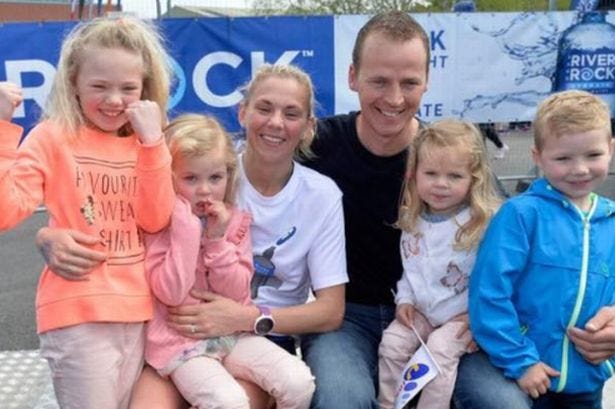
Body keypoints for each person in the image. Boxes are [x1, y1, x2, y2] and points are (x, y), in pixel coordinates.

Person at [36, 63, 348, 409]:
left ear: (308, 127)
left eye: (291, 113)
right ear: (242, 112)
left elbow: (326, 309)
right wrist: (46, 234)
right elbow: (101, 211)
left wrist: (241, 309)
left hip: (250, 332)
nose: (275, 122)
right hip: (175, 342)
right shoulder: (195, 175)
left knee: (277, 388)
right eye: (264, 108)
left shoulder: (299, 196)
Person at [0, 16, 175, 409]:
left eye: (128, 88)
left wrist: (152, 144)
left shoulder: (148, 141)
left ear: (145, 89)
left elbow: (156, 219)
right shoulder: (52, 135)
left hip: (138, 312)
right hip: (77, 313)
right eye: (99, 86)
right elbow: (6, 212)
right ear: (74, 83)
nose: (114, 100)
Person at [144, 113, 314, 408]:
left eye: (215, 178)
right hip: (181, 343)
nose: (205, 190)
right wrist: (186, 233)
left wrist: (216, 239)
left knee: (298, 381)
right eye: (190, 178)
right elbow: (170, 292)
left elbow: (237, 293)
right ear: (167, 179)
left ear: (229, 176)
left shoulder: (233, 221)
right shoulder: (160, 226)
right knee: (229, 401)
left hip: (233, 335)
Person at [469, 90, 614, 408]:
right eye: (563, 158)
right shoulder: (520, 215)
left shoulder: (611, 220)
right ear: (537, 157)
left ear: (611, 149)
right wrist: (520, 360)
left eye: (593, 155)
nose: (579, 169)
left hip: (588, 380)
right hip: (530, 377)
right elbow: (488, 294)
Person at [378, 120, 500, 409]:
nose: (441, 184)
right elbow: (410, 269)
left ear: (474, 178)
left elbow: (501, 278)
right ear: (413, 175)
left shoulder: (483, 223)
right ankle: (387, 404)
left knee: (438, 353)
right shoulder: (412, 220)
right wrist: (405, 299)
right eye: (431, 173)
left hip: (462, 317)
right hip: (422, 312)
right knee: (392, 343)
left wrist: (480, 316)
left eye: (455, 176)